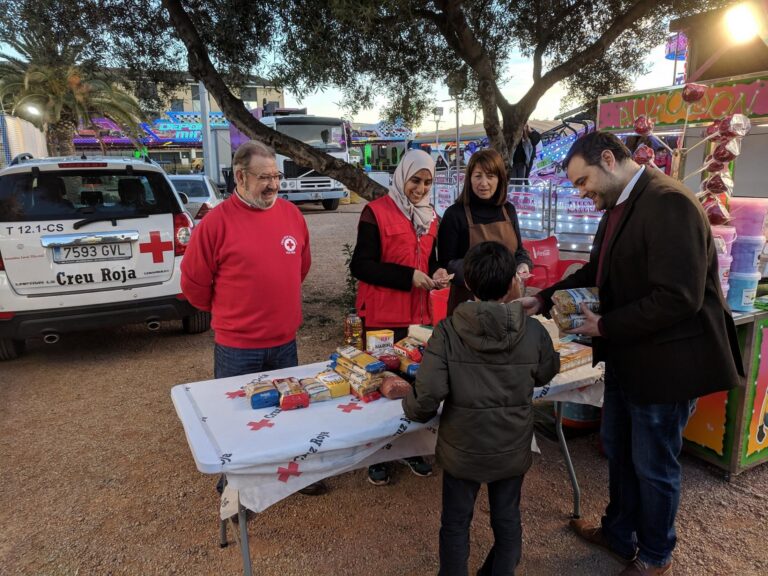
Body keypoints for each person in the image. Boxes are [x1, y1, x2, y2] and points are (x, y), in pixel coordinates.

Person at [519, 131, 743, 576]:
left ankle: (656, 557)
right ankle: (619, 533)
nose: (582, 193)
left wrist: (604, 326)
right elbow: (596, 271)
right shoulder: (619, 204)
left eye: (583, 181)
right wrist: (543, 298)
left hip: (666, 366)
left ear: (608, 159)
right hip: (628, 358)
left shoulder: (669, 202)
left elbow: (678, 298)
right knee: (620, 451)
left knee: (653, 465)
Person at [403, 241, 559, 576]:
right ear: (512, 283)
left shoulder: (448, 330)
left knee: (456, 523)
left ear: (469, 284)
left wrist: (409, 404)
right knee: (508, 521)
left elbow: (426, 397)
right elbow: (547, 372)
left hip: (463, 447)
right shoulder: (532, 330)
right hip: (511, 445)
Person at [181, 140, 324, 496]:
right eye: (264, 178)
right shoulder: (215, 224)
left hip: (284, 341)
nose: (273, 185)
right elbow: (194, 284)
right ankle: (236, 481)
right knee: (237, 418)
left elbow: (300, 267)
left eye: (276, 176)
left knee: (289, 410)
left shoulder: (292, 215)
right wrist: (231, 314)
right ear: (241, 178)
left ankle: (294, 471)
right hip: (237, 347)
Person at [350, 148, 451, 486]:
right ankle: (377, 454)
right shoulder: (375, 212)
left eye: (427, 182)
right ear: (401, 176)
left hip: (417, 320)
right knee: (380, 384)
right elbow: (361, 266)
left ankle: (409, 447)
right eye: (415, 180)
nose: (420, 189)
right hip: (382, 317)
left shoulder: (431, 216)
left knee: (414, 384)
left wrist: (438, 272)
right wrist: (408, 277)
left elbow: (433, 260)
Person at [438, 148, 532, 315]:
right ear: (469, 179)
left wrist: (523, 264)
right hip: (468, 305)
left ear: (500, 178)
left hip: (509, 303)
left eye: (490, 176)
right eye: (478, 176)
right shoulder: (454, 214)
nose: (484, 183)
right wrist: (486, 275)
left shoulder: (508, 210)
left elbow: (519, 251)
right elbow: (447, 263)